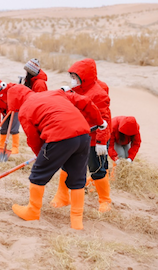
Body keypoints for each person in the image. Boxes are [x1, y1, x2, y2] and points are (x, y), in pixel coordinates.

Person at [7, 85, 105, 230]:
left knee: (38, 174)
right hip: (83, 135)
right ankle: (76, 221)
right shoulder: (54, 93)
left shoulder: (25, 110)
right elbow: (84, 101)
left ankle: (32, 212)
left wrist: (42, 156)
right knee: (78, 178)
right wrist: (100, 121)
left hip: (60, 137)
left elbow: (33, 139)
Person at [52, 59, 112, 213]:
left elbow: (104, 120)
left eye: (75, 76)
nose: (72, 79)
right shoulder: (76, 90)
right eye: (71, 76)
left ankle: (105, 201)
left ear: (84, 77)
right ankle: (62, 196)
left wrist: (101, 142)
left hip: (94, 139)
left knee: (96, 168)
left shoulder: (98, 94)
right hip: (76, 135)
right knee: (67, 164)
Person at [0, 83, 20, 154]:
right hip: (6, 111)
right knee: (3, 128)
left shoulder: (0, 89)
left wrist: (13, 87)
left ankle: (15, 147)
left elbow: (12, 86)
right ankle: (1, 145)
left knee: (14, 129)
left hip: (15, 108)